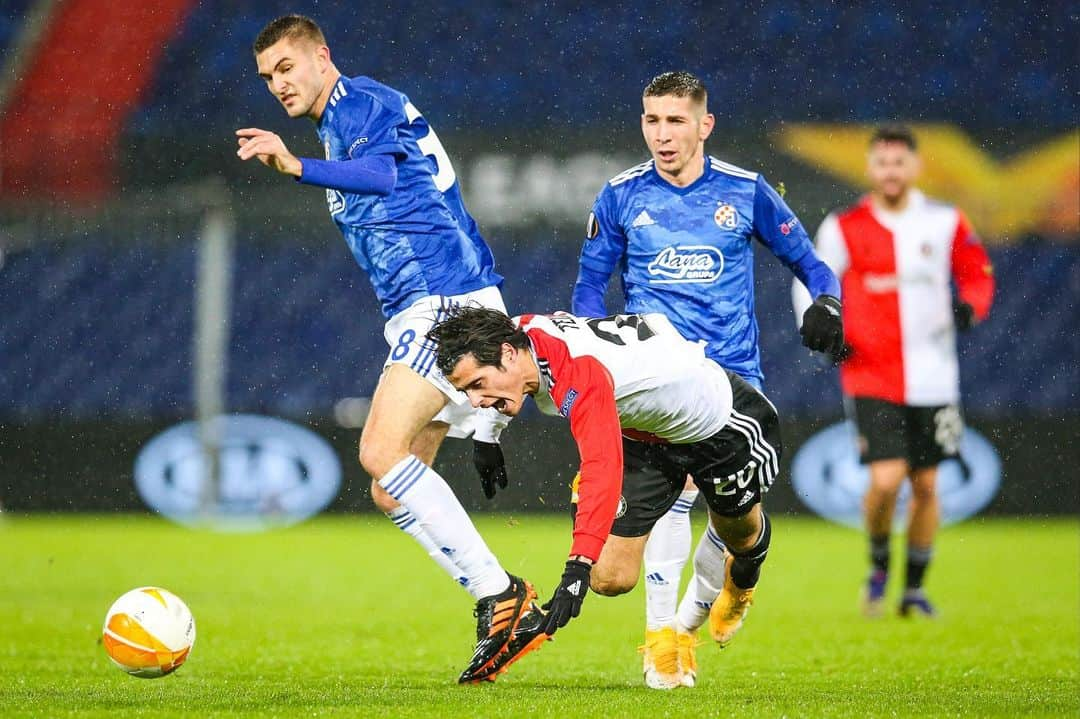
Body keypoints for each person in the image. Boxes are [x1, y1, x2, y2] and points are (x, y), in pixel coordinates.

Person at [235, 14, 540, 682]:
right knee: (391, 490)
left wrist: (296, 165)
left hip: (442, 304)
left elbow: (375, 176)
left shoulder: (360, 104)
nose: (278, 85)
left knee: (379, 452)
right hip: (445, 301)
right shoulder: (348, 118)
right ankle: (497, 598)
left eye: (287, 68)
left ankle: (501, 595)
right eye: (267, 78)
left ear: (322, 56)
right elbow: (445, 205)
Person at [570, 71, 843, 688]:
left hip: (730, 383)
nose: (661, 135)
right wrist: (591, 356)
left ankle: (707, 609)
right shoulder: (618, 196)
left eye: (674, 121)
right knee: (614, 570)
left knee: (739, 529)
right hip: (654, 376)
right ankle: (666, 643)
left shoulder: (746, 192)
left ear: (703, 124)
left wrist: (827, 303)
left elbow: (812, 263)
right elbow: (589, 288)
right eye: (651, 120)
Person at [428, 306, 784, 686]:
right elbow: (504, 366)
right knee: (609, 577)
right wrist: (488, 435)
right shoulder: (519, 336)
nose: (475, 401)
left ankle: (742, 582)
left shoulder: (580, 375)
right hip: (641, 436)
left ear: (508, 354)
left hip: (718, 426)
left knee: (741, 536)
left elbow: (601, 463)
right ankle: (605, 522)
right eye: (466, 391)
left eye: (477, 385)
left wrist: (574, 569)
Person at [792, 124, 994, 618]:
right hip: (870, 373)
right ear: (870, 168)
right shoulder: (845, 226)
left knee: (926, 485)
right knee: (886, 480)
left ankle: (915, 590)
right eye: (882, 162)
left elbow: (977, 272)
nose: (891, 170)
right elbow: (813, 279)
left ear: (915, 167)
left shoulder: (945, 221)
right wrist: (823, 332)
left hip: (935, 375)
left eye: (899, 161)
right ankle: (880, 567)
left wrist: (971, 305)